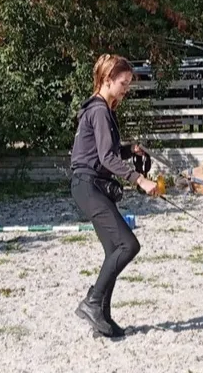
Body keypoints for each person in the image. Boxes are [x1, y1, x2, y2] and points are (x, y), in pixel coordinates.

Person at [70, 53, 160, 338]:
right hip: (88, 186)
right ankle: (93, 302)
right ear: (107, 79)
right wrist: (140, 179)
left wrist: (129, 151)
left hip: (91, 186)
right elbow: (106, 158)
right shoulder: (98, 110)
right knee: (127, 245)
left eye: (128, 84)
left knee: (114, 250)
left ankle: (102, 318)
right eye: (123, 83)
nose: (126, 89)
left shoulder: (102, 109)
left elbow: (102, 152)